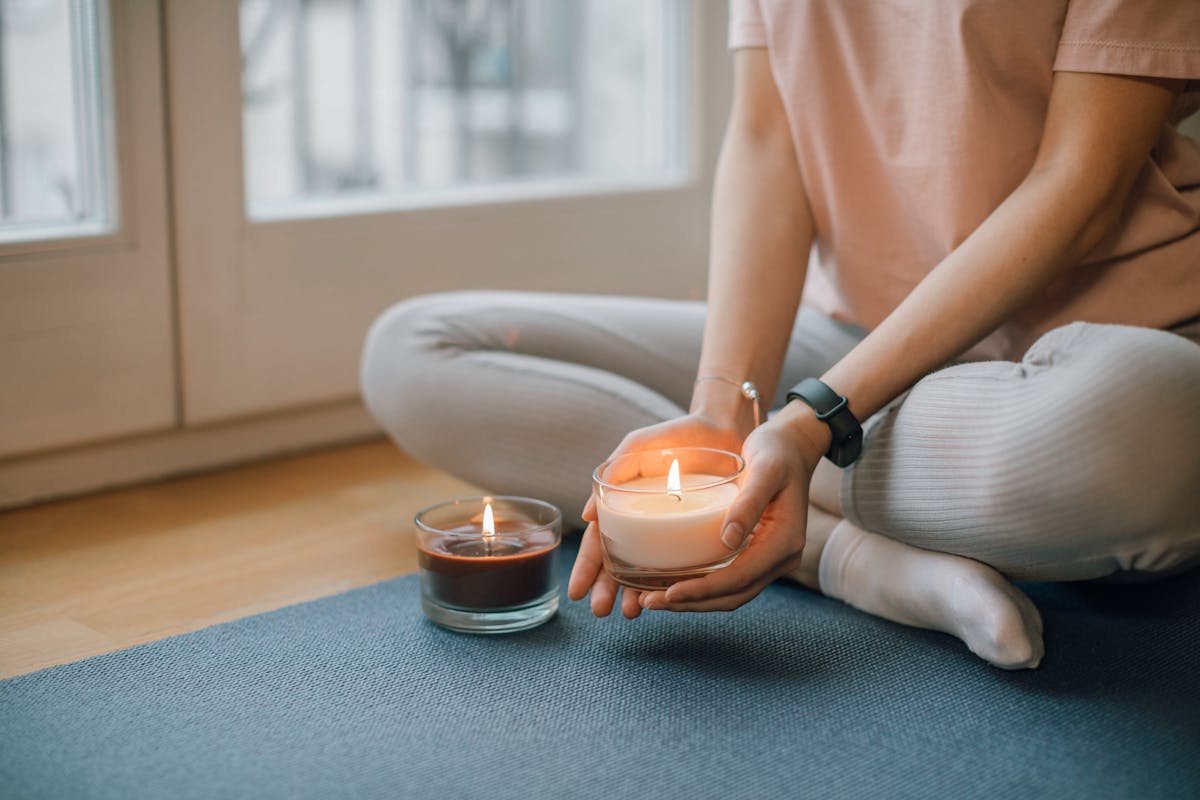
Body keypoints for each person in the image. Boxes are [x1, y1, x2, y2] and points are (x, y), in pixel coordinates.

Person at [361, 1, 1200, 669]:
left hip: (1079, 361)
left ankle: (759, 495)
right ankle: (846, 561)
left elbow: (1079, 182)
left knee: (1156, 432)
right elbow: (768, 136)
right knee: (416, 350)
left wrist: (807, 426)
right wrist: (721, 409)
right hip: (845, 346)